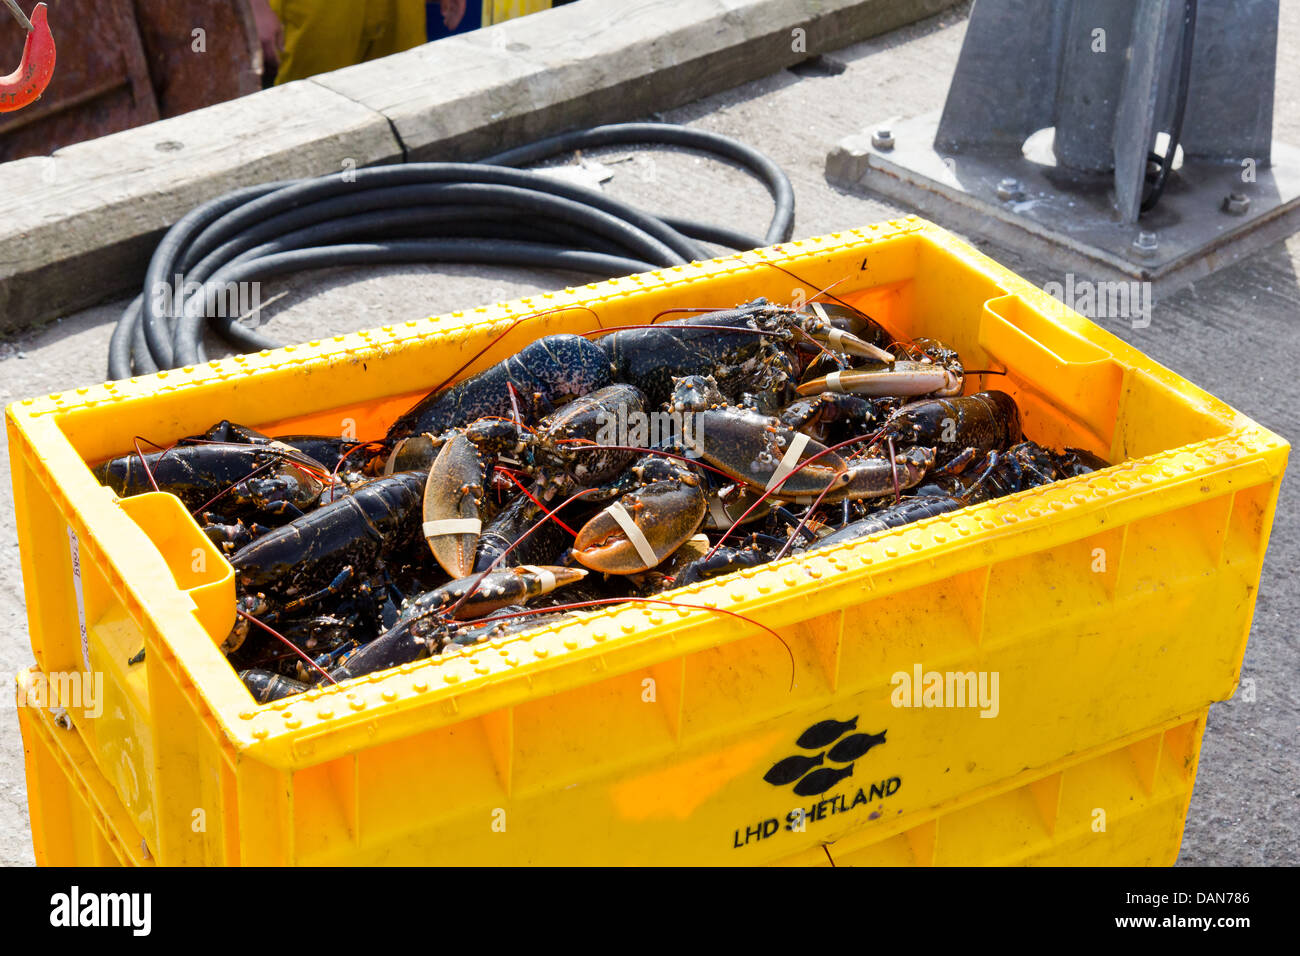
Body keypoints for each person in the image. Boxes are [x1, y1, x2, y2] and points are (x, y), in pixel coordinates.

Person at [250, 0, 456, 85]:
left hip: (400, 6)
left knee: (404, 93)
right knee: (311, 112)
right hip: (319, 8)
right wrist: (255, 7)